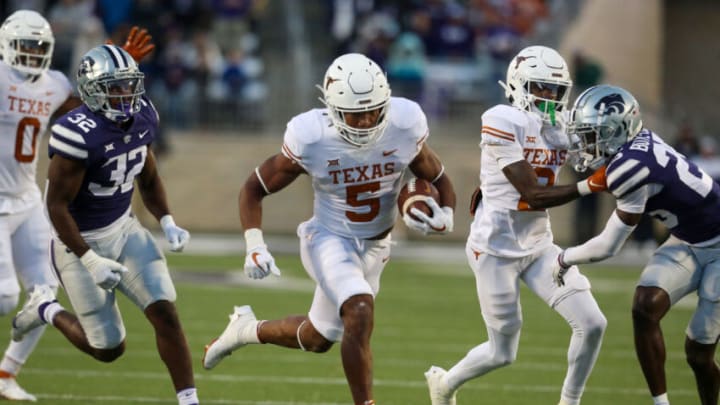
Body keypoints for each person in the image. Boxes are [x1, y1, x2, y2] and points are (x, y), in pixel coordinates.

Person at [202, 52, 457, 405]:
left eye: (375, 110)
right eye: (357, 112)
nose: (368, 121)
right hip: (329, 238)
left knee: (319, 338)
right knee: (360, 309)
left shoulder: (404, 122)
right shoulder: (311, 137)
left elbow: (438, 177)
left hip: (377, 246)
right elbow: (253, 189)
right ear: (334, 109)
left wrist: (446, 213)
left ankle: (245, 330)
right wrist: (254, 243)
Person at [10, 44, 199, 405]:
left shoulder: (144, 115)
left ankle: (189, 401)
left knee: (166, 312)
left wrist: (167, 219)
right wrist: (89, 259)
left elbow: (148, 174)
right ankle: (45, 308)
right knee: (108, 349)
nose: (126, 95)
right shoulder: (76, 133)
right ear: (93, 90)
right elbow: (56, 207)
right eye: (115, 87)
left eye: (129, 85)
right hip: (77, 242)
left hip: (125, 230)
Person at [425, 45, 609, 405]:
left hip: (539, 245)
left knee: (593, 324)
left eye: (555, 90)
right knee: (502, 352)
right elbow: (532, 194)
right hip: (495, 249)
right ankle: (445, 386)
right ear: (518, 84)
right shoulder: (501, 119)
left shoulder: (561, 125)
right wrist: (591, 184)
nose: (549, 97)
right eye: (540, 87)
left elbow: (595, 155)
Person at [0, 10, 153, 401]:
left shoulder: (54, 84)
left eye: (39, 47)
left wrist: (120, 64)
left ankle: (5, 373)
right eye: (25, 46)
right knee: (3, 298)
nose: (33, 53)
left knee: (45, 290)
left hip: (27, 198)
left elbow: (89, 109)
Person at [554, 84, 720, 405]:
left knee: (698, 355)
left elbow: (607, 246)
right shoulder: (635, 144)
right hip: (687, 236)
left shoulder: (629, 168)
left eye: (590, 134)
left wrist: (564, 258)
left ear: (616, 131)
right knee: (645, 307)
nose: (584, 143)